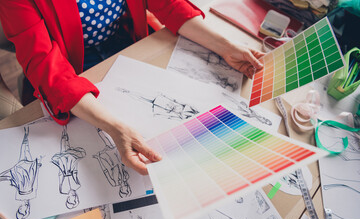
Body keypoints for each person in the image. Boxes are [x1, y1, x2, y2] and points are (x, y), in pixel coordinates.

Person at [0, 0, 264, 175]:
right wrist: (116, 129)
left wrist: (225, 46)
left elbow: (169, 4)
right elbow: (45, 64)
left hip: (129, 42)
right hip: (70, 70)